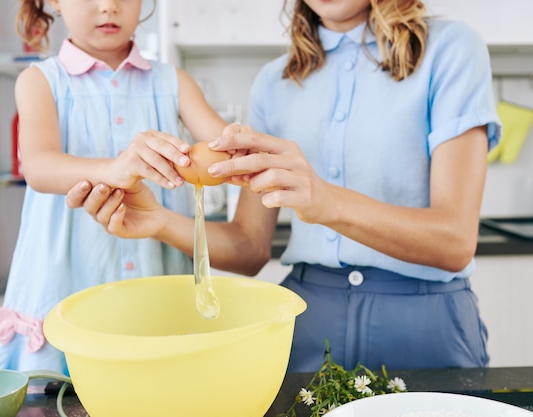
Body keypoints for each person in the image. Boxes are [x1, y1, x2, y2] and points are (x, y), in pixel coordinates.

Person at [66, 0, 502, 373]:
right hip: (306, 327)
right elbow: (249, 247)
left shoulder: (450, 49)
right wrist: (159, 221)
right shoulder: (275, 82)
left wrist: (325, 200)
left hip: (427, 326)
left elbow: (455, 241)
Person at [0, 0, 227, 375]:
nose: (108, 6)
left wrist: (236, 150)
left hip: (154, 285)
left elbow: (220, 152)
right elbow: (39, 167)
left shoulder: (173, 82)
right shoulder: (40, 80)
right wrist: (116, 168)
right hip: (63, 285)